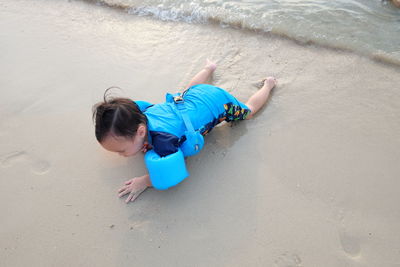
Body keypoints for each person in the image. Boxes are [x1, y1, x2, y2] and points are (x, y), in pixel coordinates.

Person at [92, 59, 277, 203]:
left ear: (141, 132)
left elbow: (175, 167)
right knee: (186, 91)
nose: (120, 155)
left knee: (248, 112)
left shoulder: (163, 141)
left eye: (121, 150)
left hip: (218, 103)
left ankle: (268, 84)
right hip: (192, 96)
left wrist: (145, 181)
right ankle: (209, 68)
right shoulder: (142, 114)